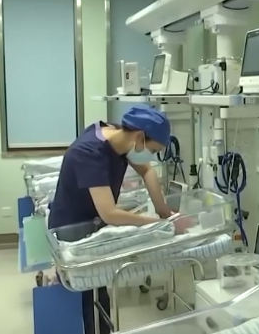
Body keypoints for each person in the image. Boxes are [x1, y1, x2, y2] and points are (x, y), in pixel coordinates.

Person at [48, 106, 174, 334]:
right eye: (153, 150)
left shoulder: (118, 136)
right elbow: (110, 213)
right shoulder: (90, 153)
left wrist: (163, 210)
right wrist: (154, 224)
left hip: (93, 224)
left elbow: (147, 171)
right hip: (72, 231)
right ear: (139, 137)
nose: (151, 156)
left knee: (98, 296)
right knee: (82, 302)